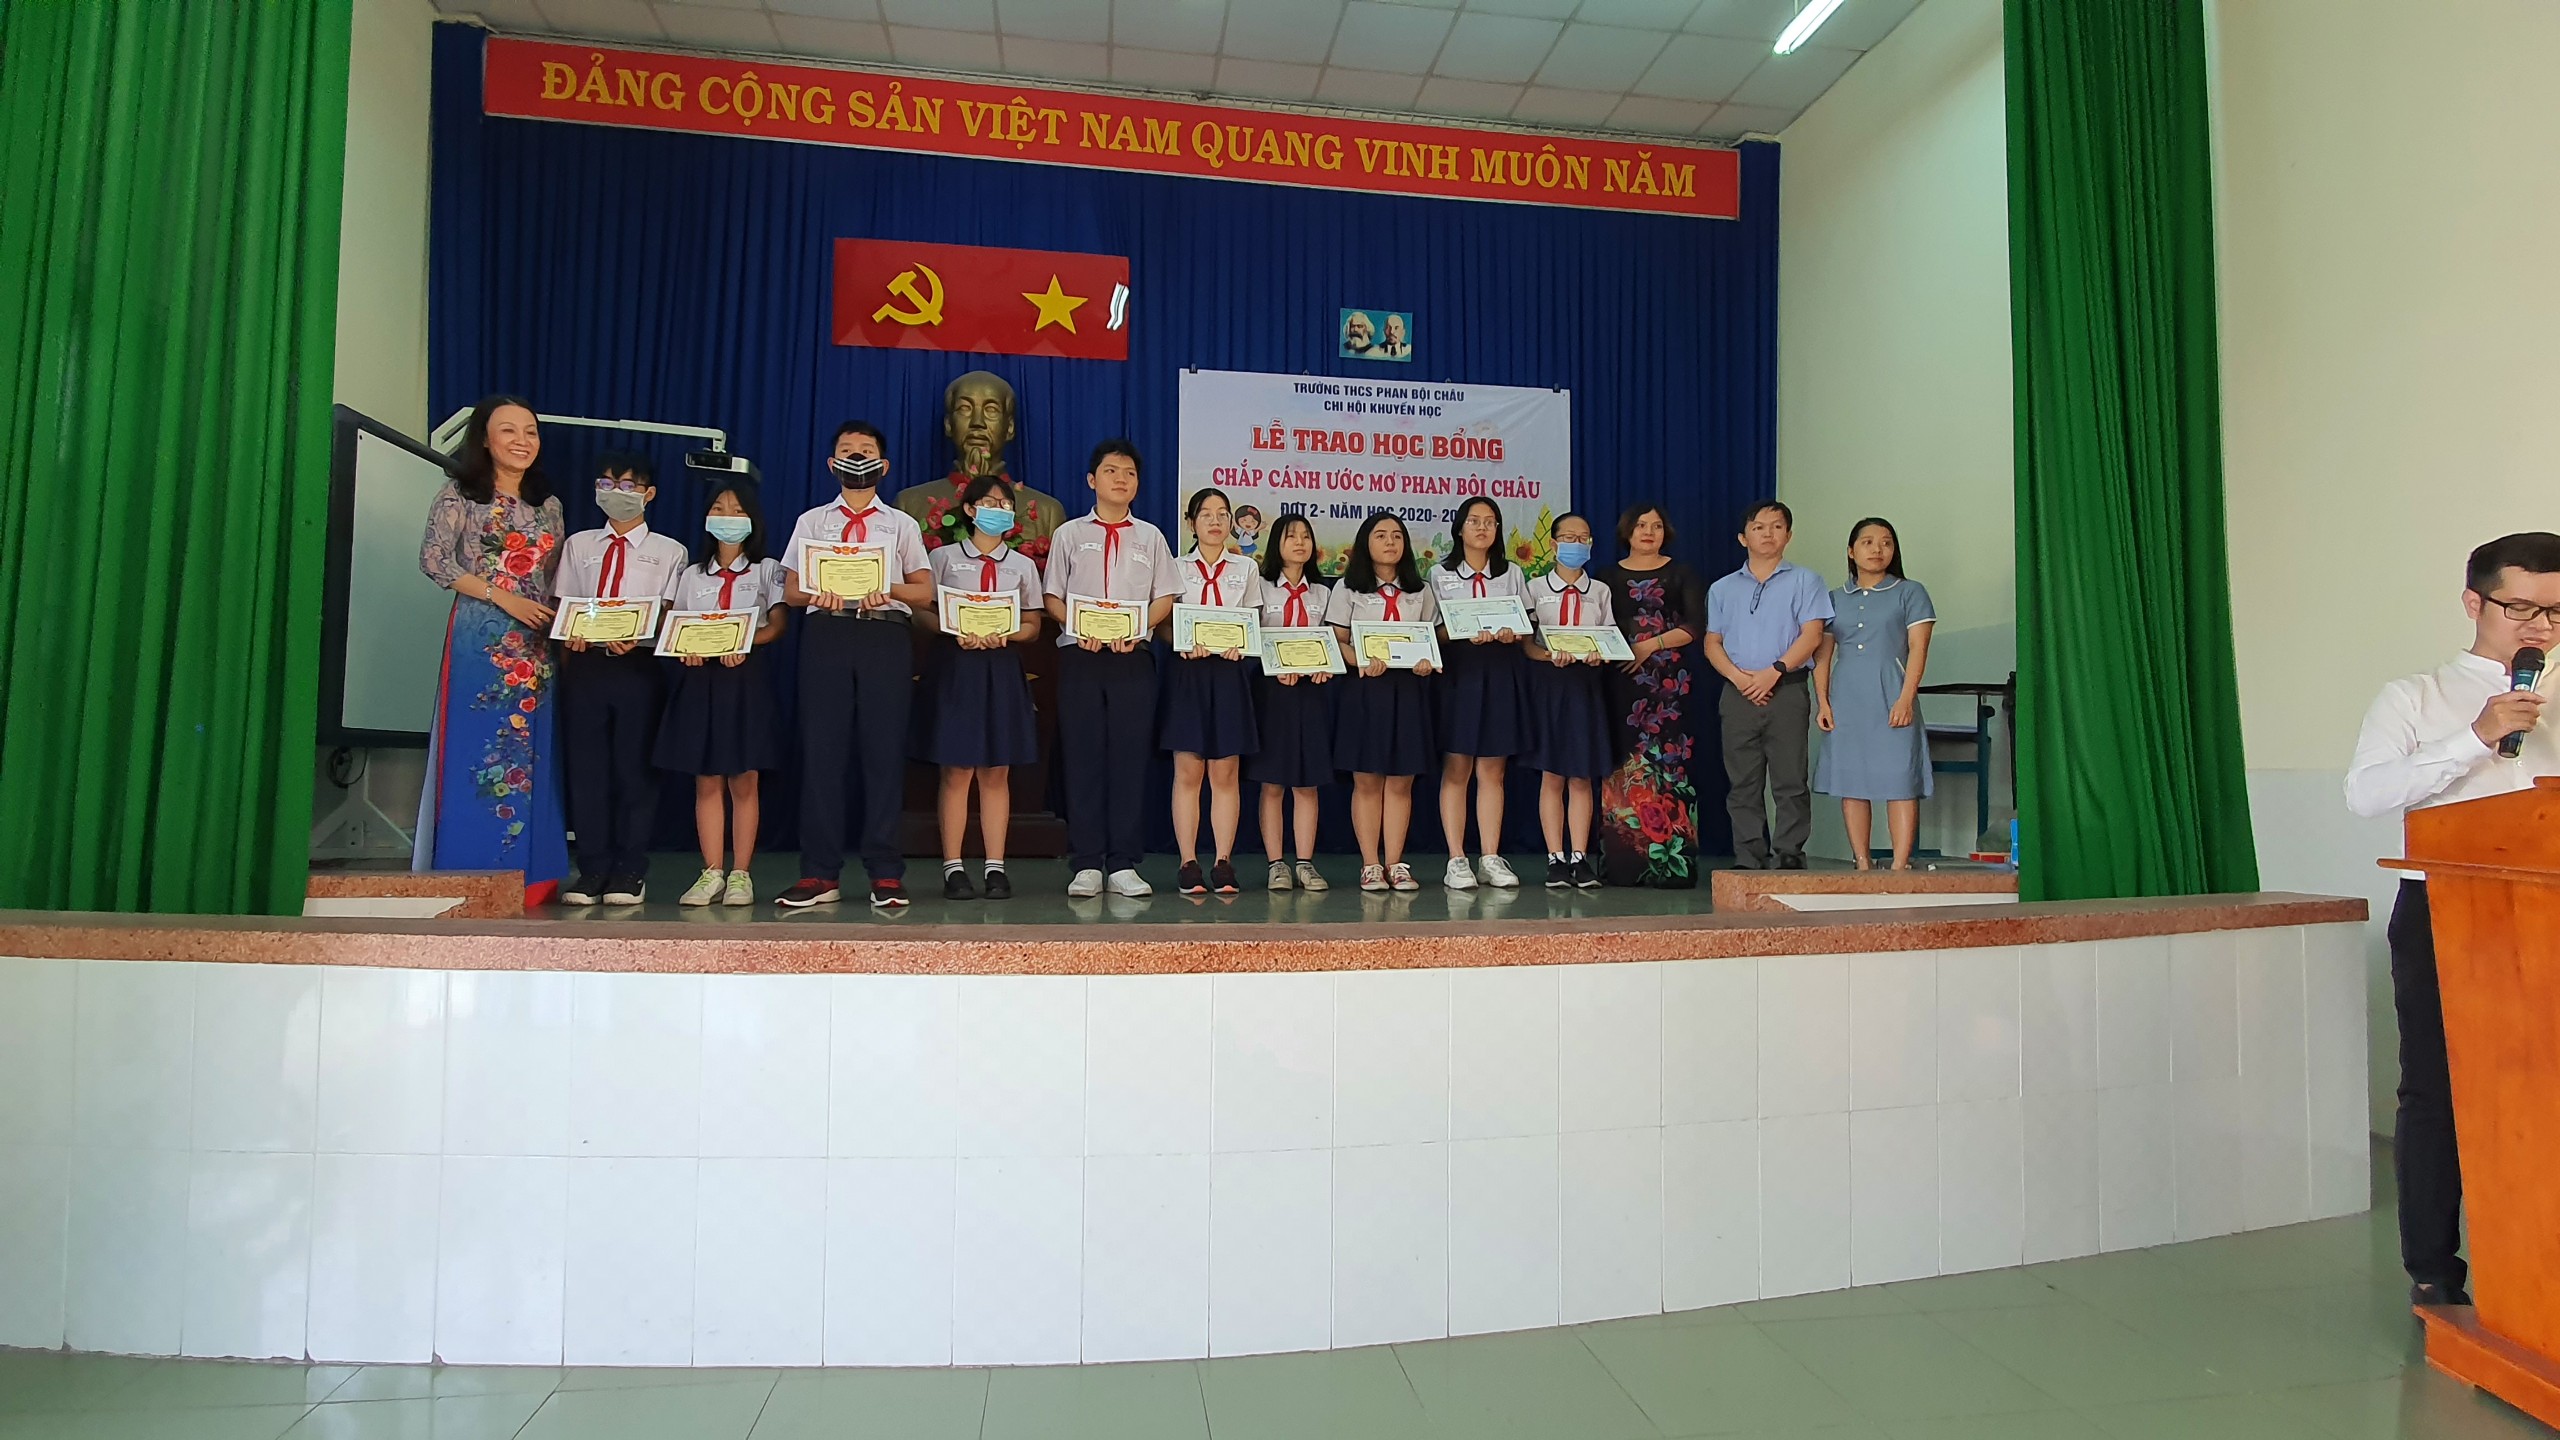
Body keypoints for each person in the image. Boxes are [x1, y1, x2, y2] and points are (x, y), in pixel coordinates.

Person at [2345, 531, 2560, 1309]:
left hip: (2550, 912)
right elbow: (2367, 795)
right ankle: (2435, 1270)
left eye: (2557, 612)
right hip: (2445, 909)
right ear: (2475, 602)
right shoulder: (2415, 696)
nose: (2538, 626)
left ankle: (2539, 1267)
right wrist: (2473, 737)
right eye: (2520, 607)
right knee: (2438, 1090)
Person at [414, 395, 569, 900]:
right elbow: (434, 561)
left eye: (530, 431)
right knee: (476, 749)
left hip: (535, 645)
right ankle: (469, 868)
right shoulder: (459, 495)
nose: (522, 441)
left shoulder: (548, 504)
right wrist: (503, 596)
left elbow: (556, 577)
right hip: (480, 639)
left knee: (532, 751)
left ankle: (531, 876)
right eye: (509, 431)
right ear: (484, 438)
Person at [778, 422, 934, 909]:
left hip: (884, 634)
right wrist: (819, 592)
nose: (857, 458)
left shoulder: (901, 525)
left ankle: (885, 872)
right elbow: (790, 590)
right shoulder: (811, 522)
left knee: (882, 754)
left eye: (866, 452)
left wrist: (886, 586)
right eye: (847, 451)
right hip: (828, 632)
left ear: (883, 466)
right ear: (832, 463)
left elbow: (924, 590)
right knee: (823, 755)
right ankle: (819, 874)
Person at [1044, 439, 1180, 898]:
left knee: (1128, 759)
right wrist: (1078, 625)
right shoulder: (1068, 534)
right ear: (1091, 480)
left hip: (1132, 658)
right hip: (1079, 655)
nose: (1121, 479)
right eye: (1111, 471)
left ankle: (1123, 862)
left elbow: (1165, 596)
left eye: (1130, 473)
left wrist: (1137, 624)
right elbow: (1051, 598)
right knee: (1082, 756)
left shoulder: (1152, 537)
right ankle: (1085, 862)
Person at [552, 451, 688, 906]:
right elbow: (565, 604)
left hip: (639, 667)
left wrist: (641, 635)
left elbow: (669, 610)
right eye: (607, 484)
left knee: (635, 771)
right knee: (587, 771)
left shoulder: (670, 551)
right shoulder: (579, 544)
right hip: (586, 666)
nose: (617, 494)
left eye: (629, 486)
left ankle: (630, 870)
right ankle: (591, 870)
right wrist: (570, 636)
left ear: (649, 494)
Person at [654, 479, 789, 907]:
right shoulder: (690, 573)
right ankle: (710, 870)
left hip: (744, 680)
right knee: (706, 780)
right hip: (699, 681)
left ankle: (741, 875)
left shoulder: (768, 569)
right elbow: (672, 624)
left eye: (737, 510)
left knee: (744, 780)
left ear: (752, 519)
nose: (727, 517)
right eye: (719, 508)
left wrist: (745, 643)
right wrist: (685, 648)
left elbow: (777, 626)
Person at [915, 475, 1043, 901]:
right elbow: (922, 614)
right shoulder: (945, 558)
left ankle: (995, 866)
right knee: (956, 769)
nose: (998, 509)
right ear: (969, 510)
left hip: (1002, 667)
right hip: (957, 665)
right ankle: (953, 867)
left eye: (1005, 504)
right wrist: (952, 630)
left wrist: (1010, 634)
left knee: (997, 769)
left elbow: (1034, 624)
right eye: (989, 502)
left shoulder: (1022, 565)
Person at [1702, 500, 1833, 870]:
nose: (1768, 533)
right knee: (1742, 782)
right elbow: (1712, 642)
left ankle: (1789, 853)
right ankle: (1749, 857)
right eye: (1759, 527)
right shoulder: (1723, 588)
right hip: (1738, 691)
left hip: (1787, 688)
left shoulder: (1807, 580)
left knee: (1790, 779)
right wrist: (1741, 678)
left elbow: (1813, 635)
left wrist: (1773, 672)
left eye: (1777, 527)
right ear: (1743, 537)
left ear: (1788, 536)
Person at [1813, 518, 1937, 871]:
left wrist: (1905, 698)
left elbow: (1918, 648)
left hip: (1891, 692)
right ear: (1851, 551)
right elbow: (1823, 654)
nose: (1877, 549)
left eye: (1885, 542)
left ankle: (1900, 865)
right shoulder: (1834, 598)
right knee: (1853, 780)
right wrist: (1822, 700)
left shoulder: (1910, 592)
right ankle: (1862, 863)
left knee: (1899, 780)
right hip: (1847, 695)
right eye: (1867, 542)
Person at [1326, 512, 1440, 892]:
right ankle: (1371, 864)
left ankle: (1396, 862)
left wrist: (1427, 660)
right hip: (1365, 690)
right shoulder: (1348, 588)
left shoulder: (1419, 590)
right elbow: (1335, 638)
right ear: (1365, 543)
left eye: (1397, 535)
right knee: (1368, 780)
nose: (1390, 542)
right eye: (1380, 535)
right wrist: (1357, 657)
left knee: (1401, 781)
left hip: (1408, 691)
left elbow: (1430, 638)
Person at [1598, 504, 1706, 887]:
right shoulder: (1606, 577)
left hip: (1668, 687)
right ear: (1627, 532)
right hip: (1620, 683)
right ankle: (1625, 865)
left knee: (1669, 766)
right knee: (1622, 769)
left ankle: (1672, 867)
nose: (1649, 532)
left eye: (1657, 525)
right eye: (1641, 525)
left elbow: (1695, 626)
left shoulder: (1682, 572)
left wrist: (1649, 645)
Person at [1163, 488, 1262, 895]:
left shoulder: (1246, 568)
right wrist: (1181, 642)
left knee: (1226, 772)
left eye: (1223, 514)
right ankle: (1188, 862)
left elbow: (1254, 620)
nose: (1216, 521)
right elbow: (1163, 621)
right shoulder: (1174, 567)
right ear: (1191, 523)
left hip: (1230, 675)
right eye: (1206, 514)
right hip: (1188, 673)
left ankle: (1223, 861)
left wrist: (1244, 642)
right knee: (1188, 771)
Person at [1431, 497, 1533, 890]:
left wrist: (1512, 630)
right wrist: (1460, 631)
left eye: (1490, 522)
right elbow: (1434, 629)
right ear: (1460, 528)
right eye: (1474, 521)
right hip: (1460, 671)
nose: (1482, 528)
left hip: (1501, 671)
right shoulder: (1440, 574)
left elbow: (1525, 624)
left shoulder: (1511, 573)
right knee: (1457, 768)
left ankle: (1490, 856)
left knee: (1493, 769)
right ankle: (1457, 859)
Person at [1524, 512, 1615, 888]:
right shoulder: (1532, 588)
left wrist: (1600, 654)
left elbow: (1610, 639)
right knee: (1552, 774)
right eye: (1569, 537)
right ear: (1554, 543)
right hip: (1549, 685)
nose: (1577, 544)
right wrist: (1547, 655)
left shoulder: (1601, 591)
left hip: (1585, 686)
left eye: (1584, 537)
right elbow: (1526, 643)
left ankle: (1580, 857)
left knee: (1581, 775)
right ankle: (1554, 858)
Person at [1251, 513, 1333, 892]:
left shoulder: (1323, 592)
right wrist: (1273, 667)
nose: (1299, 542)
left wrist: (1324, 667)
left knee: (1307, 783)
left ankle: (1305, 862)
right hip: (1272, 693)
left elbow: (1329, 642)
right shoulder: (1262, 587)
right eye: (1290, 536)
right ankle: (1275, 864)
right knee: (1272, 782)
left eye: (1305, 536)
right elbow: (1252, 638)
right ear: (1276, 544)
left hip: (1311, 694)